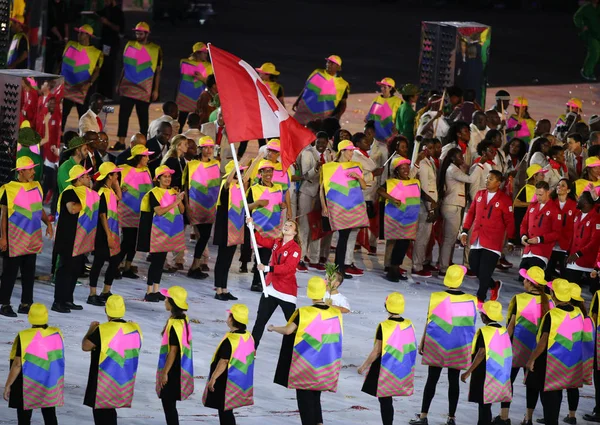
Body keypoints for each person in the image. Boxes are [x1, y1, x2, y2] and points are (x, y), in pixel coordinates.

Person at [268, 277, 343, 425]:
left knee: (305, 404)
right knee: (316, 399)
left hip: (305, 365)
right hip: (325, 365)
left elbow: (289, 331)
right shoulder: (335, 313)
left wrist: (273, 328)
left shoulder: (304, 312)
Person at [410, 265, 477, 425]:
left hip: (437, 344)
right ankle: (451, 418)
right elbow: (471, 326)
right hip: (458, 346)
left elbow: (429, 320)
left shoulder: (436, 297)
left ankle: (424, 415)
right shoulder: (471, 300)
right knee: (453, 381)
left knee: (432, 379)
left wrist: (422, 342)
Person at [495, 267, 550, 425]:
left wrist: (500, 344)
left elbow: (511, 326)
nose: (523, 281)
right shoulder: (549, 301)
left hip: (516, 349)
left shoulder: (519, 299)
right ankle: (528, 418)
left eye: (525, 279)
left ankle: (504, 416)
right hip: (537, 351)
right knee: (532, 384)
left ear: (530, 282)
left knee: (508, 381)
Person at [0, 157, 54, 318]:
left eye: (33, 169)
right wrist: (3, 238)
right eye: (30, 169)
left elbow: (39, 209)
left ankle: (26, 303)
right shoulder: (8, 189)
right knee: (10, 273)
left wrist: (48, 224)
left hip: (32, 238)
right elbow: (3, 216)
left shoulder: (37, 186)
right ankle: (4, 304)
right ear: (20, 171)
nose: (33, 171)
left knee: (29, 273)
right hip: (14, 238)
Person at [525, 279, 584, 425]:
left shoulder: (552, 315)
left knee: (550, 398)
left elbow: (543, 342)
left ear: (553, 293)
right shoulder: (578, 313)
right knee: (557, 394)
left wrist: (531, 359)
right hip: (569, 362)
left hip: (551, 363)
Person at [81, 295, 143, 425]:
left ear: (106, 310)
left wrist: (90, 330)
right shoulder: (134, 329)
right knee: (110, 412)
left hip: (102, 381)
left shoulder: (102, 330)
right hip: (122, 379)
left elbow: (86, 346)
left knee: (101, 414)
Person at [358, 292, 416, 425]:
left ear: (386, 306)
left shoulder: (384, 326)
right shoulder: (409, 324)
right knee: (386, 400)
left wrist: (364, 366)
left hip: (386, 367)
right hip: (401, 366)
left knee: (385, 400)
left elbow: (377, 351)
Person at [3, 303, 64, 425]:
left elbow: (17, 364)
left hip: (27, 381)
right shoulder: (56, 333)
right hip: (49, 381)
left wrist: (8, 385)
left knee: (24, 417)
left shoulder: (24, 336)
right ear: (46, 315)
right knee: (50, 415)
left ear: (29, 316)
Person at [461, 170, 514, 302]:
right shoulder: (480, 194)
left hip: (493, 241)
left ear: (498, 183)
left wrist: (511, 240)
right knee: (473, 266)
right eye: (487, 178)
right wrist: (464, 231)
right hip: (477, 238)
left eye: (491, 179)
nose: (487, 181)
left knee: (485, 270)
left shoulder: (504, 199)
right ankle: (493, 285)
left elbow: (510, 221)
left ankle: (481, 297)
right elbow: (471, 213)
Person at [53, 165, 100, 313]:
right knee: (65, 270)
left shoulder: (88, 193)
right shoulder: (70, 192)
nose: (89, 178)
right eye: (86, 176)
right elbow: (72, 209)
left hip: (82, 238)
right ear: (78, 179)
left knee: (74, 270)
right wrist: (86, 199)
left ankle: (68, 299)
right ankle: (58, 301)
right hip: (68, 238)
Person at [320, 140, 369, 277]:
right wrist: (324, 206)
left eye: (353, 151)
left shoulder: (356, 166)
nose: (352, 153)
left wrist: (358, 177)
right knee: (342, 238)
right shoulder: (330, 167)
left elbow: (364, 186)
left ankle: (339, 269)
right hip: (337, 207)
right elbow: (322, 189)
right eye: (349, 150)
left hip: (351, 207)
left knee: (344, 238)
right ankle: (338, 269)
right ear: (342, 151)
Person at [137, 165, 186, 302]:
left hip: (170, 231)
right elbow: (158, 211)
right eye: (164, 176)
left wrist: (179, 200)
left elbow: (181, 211)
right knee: (155, 262)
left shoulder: (173, 192)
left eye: (169, 176)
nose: (168, 179)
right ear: (158, 179)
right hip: (157, 232)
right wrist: (175, 202)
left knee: (161, 262)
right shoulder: (154, 193)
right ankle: (149, 291)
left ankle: (156, 289)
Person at [461, 301, 512, 425]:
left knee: (484, 405)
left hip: (484, 372)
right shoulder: (504, 331)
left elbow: (481, 353)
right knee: (487, 404)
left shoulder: (485, 332)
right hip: (500, 372)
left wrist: (468, 372)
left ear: (484, 316)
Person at [203, 304, 255, 425]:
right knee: (227, 410)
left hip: (226, 380)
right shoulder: (248, 336)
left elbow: (224, 361)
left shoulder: (230, 341)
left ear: (231, 318)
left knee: (224, 411)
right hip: (239, 380)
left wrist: (213, 378)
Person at [437, 148, 483, 275]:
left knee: (450, 239)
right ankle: (443, 267)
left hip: (454, 205)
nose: (462, 159)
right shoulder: (452, 169)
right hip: (452, 205)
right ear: (452, 158)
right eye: (459, 157)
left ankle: (445, 264)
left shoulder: (455, 169)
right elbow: (471, 179)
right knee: (448, 239)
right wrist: (480, 164)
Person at [116, 22, 163, 147]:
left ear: (147, 34)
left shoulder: (155, 49)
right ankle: (121, 142)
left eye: (140, 33)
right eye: (136, 32)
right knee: (123, 115)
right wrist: (119, 83)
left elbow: (157, 72)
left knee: (143, 117)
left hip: (144, 88)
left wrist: (156, 90)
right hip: (128, 86)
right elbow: (125, 67)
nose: (138, 35)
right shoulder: (130, 45)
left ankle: (143, 143)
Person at [377, 156, 420, 282]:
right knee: (396, 244)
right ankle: (392, 270)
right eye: (402, 168)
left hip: (409, 218)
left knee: (404, 244)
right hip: (394, 217)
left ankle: (396, 268)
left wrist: (432, 202)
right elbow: (380, 190)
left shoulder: (414, 182)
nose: (406, 170)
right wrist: (392, 198)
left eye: (407, 168)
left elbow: (421, 193)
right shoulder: (391, 182)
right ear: (397, 170)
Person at [156, 286, 194, 425]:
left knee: (168, 404)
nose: (164, 300)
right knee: (169, 404)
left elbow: (173, 351)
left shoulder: (175, 325)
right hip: (179, 366)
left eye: (166, 298)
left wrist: (165, 372)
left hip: (173, 369)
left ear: (171, 302)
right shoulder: (183, 319)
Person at [184, 136, 220, 279]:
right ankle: (194, 265)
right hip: (195, 206)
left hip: (209, 207)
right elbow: (185, 187)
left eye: (211, 147)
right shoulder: (191, 165)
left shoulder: (216, 164)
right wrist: (187, 207)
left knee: (204, 237)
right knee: (202, 236)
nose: (209, 150)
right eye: (206, 147)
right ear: (200, 149)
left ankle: (195, 265)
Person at [88, 162, 123, 306]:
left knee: (115, 260)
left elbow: (119, 197)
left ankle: (106, 291)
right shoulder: (101, 192)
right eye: (115, 174)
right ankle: (92, 293)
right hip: (103, 232)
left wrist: (115, 184)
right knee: (98, 262)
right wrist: (108, 235)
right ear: (109, 175)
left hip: (112, 231)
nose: (117, 175)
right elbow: (102, 215)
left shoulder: (109, 190)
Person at [117, 144, 153, 278]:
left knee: (135, 242)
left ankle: (127, 267)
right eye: (146, 156)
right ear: (139, 157)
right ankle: (115, 265)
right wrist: (119, 191)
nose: (148, 158)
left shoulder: (147, 170)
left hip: (141, 212)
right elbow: (114, 187)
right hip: (126, 212)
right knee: (127, 241)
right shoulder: (123, 170)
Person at [213, 161, 247, 301]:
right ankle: (218, 289)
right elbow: (228, 181)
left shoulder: (239, 188)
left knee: (228, 261)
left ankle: (225, 288)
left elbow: (246, 178)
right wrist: (235, 167)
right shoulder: (226, 187)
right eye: (238, 172)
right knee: (222, 259)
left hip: (235, 228)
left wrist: (257, 160)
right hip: (225, 228)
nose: (241, 175)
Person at [61, 25, 104, 129]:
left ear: (88, 36)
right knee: (63, 113)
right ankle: (60, 134)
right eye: (78, 32)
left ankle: (83, 136)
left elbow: (96, 71)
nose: (78, 35)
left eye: (81, 33)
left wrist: (89, 83)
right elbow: (62, 64)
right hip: (67, 86)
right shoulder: (70, 45)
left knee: (83, 114)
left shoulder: (95, 52)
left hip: (83, 88)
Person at [298, 133, 328, 270]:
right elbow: (305, 175)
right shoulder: (307, 154)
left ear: (328, 143)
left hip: (322, 195)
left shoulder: (330, 154)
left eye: (324, 143)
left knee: (317, 226)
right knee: (304, 226)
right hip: (307, 192)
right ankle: (300, 258)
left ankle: (314, 259)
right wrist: (316, 168)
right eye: (318, 143)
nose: (321, 146)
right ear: (314, 142)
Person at [292, 55, 349, 125]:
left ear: (338, 67)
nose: (328, 64)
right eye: (328, 62)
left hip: (322, 117)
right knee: (294, 127)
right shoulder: (317, 72)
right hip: (305, 110)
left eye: (332, 63)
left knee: (314, 134)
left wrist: (337, 116)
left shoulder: (342, 84)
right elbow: (307, 88)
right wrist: (297, 101)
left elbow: (343, 104)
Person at [519, 181, 562, 271]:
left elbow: (556, 233)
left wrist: (539, 239)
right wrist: (523, 236)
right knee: (522, 276)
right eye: (537, 194)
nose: (538, 197)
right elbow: (524, 224)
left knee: (533, 278)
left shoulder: (555, 210)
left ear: (548, 192)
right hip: (528, 250)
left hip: (541, 252)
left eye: (541, 194)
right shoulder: (532, 206)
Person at [412, 139, 439, 278]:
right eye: (429, 147)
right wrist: (431, 208)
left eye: (433, 147)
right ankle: (417, 265)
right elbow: (424, 187)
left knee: (425, 236)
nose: (432, 150)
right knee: (422, 237)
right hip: (425, 205)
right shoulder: (422, 164)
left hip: (430, 203)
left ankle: (419, 263)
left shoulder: (431, 162)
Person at [564, 191, 600, 286]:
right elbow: (572, 237)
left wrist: (578, 254)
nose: (577, 200)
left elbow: (595, 242)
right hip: (573, 260)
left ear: (586, 203)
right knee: (569, 288)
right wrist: (567, 253)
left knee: (594, 290)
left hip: (589, 262)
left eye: (580, 198)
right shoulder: (577, 215)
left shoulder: (596, 218)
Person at [175, 42, 212, 131]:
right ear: (197, 53)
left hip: (199, 98)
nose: (206, 55)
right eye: (204, 53)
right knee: (181, 122)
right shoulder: (184, 63)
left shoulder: (209, 66)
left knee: (199, 123)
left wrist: (202, 78)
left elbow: (211, 84)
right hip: (185, 97)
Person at [546, 178, 577, 280]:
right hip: (550, 242)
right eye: (558, 185)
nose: (559, 187)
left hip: (565, 243)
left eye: (563, 185)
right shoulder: (550, 203)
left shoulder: (574, 206)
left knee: (565, 275)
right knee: (547, 273)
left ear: (568, 190)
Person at [95, 0, 125, 100]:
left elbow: (119, 29)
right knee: (101, 67)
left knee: (109, 67)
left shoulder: (118, 12)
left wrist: (107, 23)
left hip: (111, 44)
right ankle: (100, 92)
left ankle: (107, 94)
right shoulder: (105, 10)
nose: (105, 2)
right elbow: (96, 14)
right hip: (104, 43)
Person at [574, 0, 600, 81]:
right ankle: (586, 72)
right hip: (590, 34)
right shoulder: (586, 8)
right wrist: (582, 25)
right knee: (594, 51)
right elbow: (576, 17)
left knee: (595, 52)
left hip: (598, 33)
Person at [201, 109, 232, 174]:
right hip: (207, 165)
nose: (221, 118)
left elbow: (234, 149)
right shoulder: (205, 127)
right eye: (220, 115)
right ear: (216, 114)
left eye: (224, 116)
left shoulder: (232, 131)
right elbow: (200, 147)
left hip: (223, 167)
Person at [45, 0, 69, 74]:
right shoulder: (49, 4)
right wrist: (60, 37)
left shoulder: (63, 5)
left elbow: (66, 23)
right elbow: (51, 25)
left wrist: (66, 37)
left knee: (61, 62)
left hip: (61, 39)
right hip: (51, 38)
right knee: (49, 62)